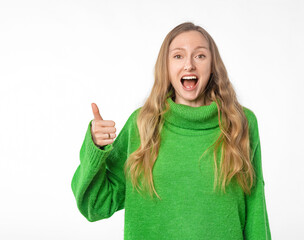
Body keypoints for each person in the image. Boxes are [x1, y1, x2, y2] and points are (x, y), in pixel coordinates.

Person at [71, 22, 271, 240]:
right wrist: (95, 148)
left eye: (200, 56)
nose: (189, 65)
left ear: (213, 66)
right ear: (165, 67)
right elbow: (96, 205)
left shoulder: (240, 123)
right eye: (178, 56)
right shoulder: (142, 124)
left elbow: (256, 211)